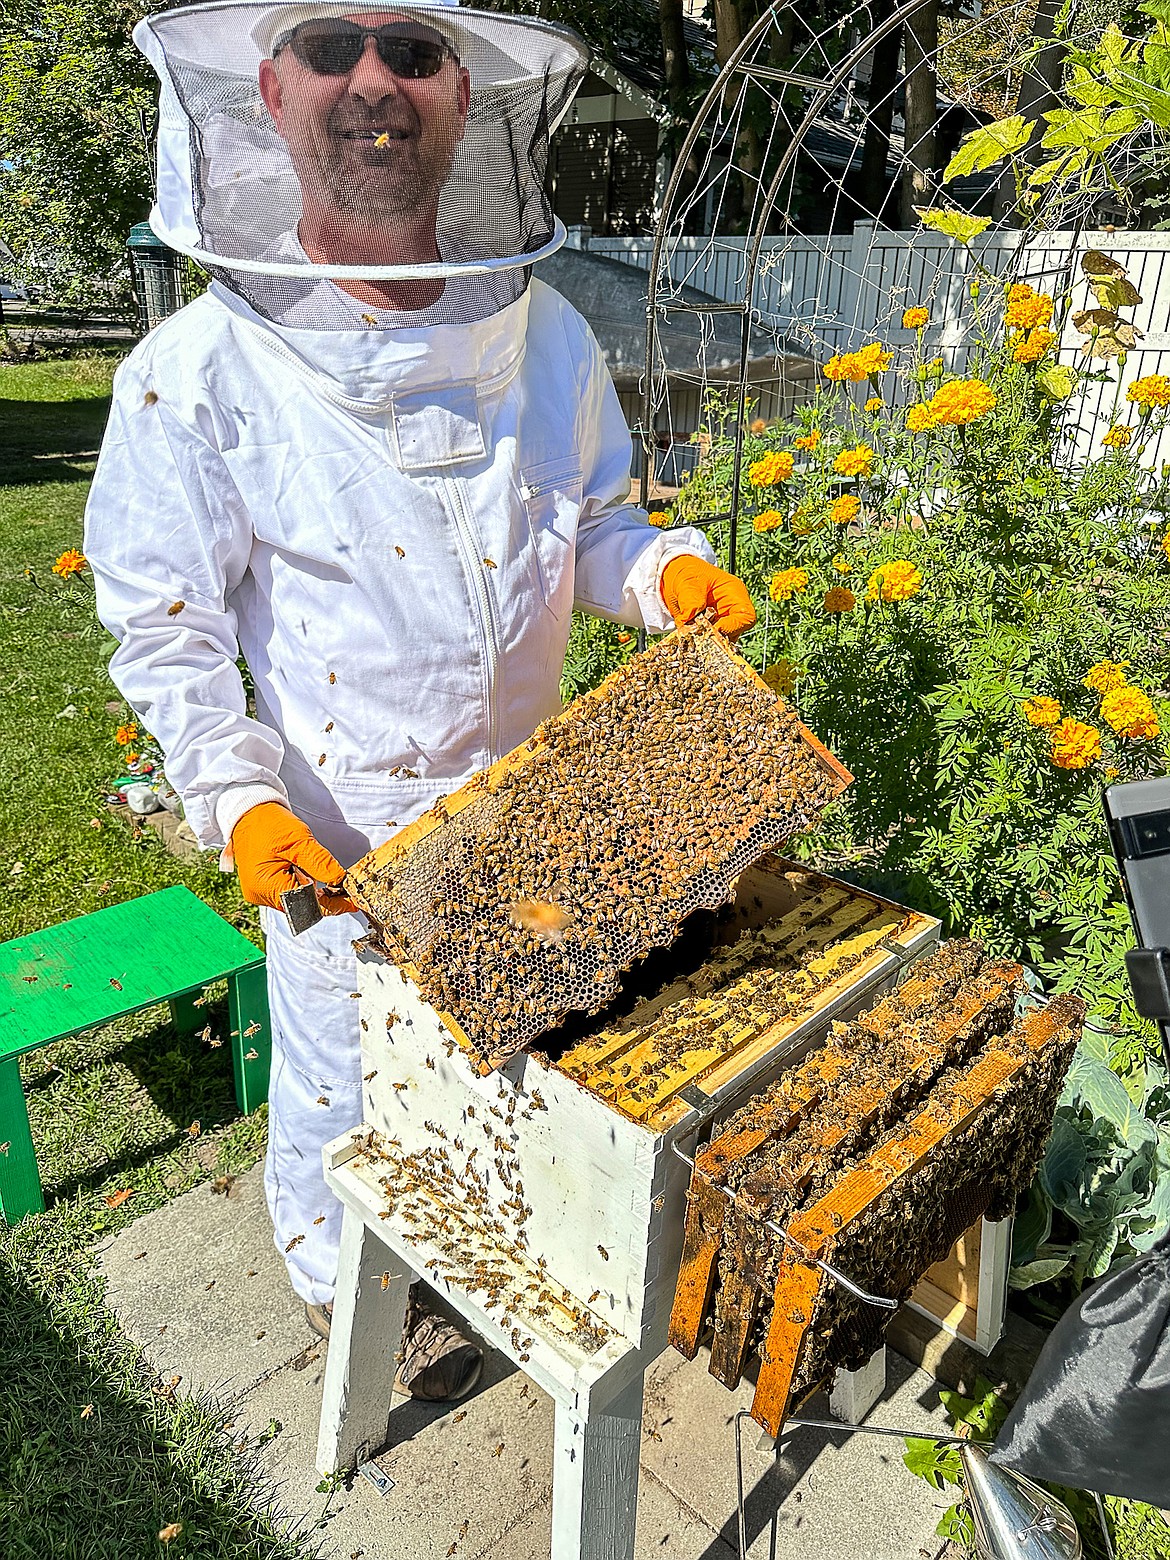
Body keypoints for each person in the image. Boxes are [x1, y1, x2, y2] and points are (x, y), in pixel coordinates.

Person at [85, 0, 756, 1402]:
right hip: (340, 838)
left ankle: (489, 1250)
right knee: (351, 1087)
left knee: (512, 1057)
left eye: (411, 53)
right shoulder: (195, 374)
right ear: (268, 92)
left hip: (527, 804)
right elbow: (167, 625)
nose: (372, 83)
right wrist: (240, 799)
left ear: (467, 98)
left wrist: (667, 576)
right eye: (331, 51)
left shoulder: (546, 334)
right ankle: (350, 1312)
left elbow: (592, 527)